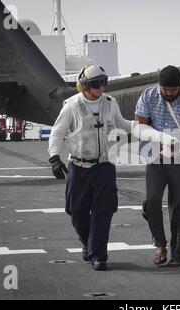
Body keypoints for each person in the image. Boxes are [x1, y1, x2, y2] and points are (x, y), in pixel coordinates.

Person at [48, 65, 132, 271]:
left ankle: (99, 256)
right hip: (78, 166)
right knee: (76, 211)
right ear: (84, 86)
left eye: (103, 83)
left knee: (103, 212)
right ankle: (88, 243)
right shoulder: (71, 106)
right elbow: (57, 133)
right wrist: (54, 158)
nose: (100, 89)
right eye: (95, 85)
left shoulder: (111, 103)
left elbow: (123, 124)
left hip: (104, 165)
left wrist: (146, 126)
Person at [133, 65, 180, 267]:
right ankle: (160, 244)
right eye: (165, 89)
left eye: (173, 90)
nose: (169, 93)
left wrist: (179, 146)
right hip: (156, 158)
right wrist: (163, 138)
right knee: (152, 200)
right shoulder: (148, 96)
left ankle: (178, 251)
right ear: (160, 86)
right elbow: (139, 127)